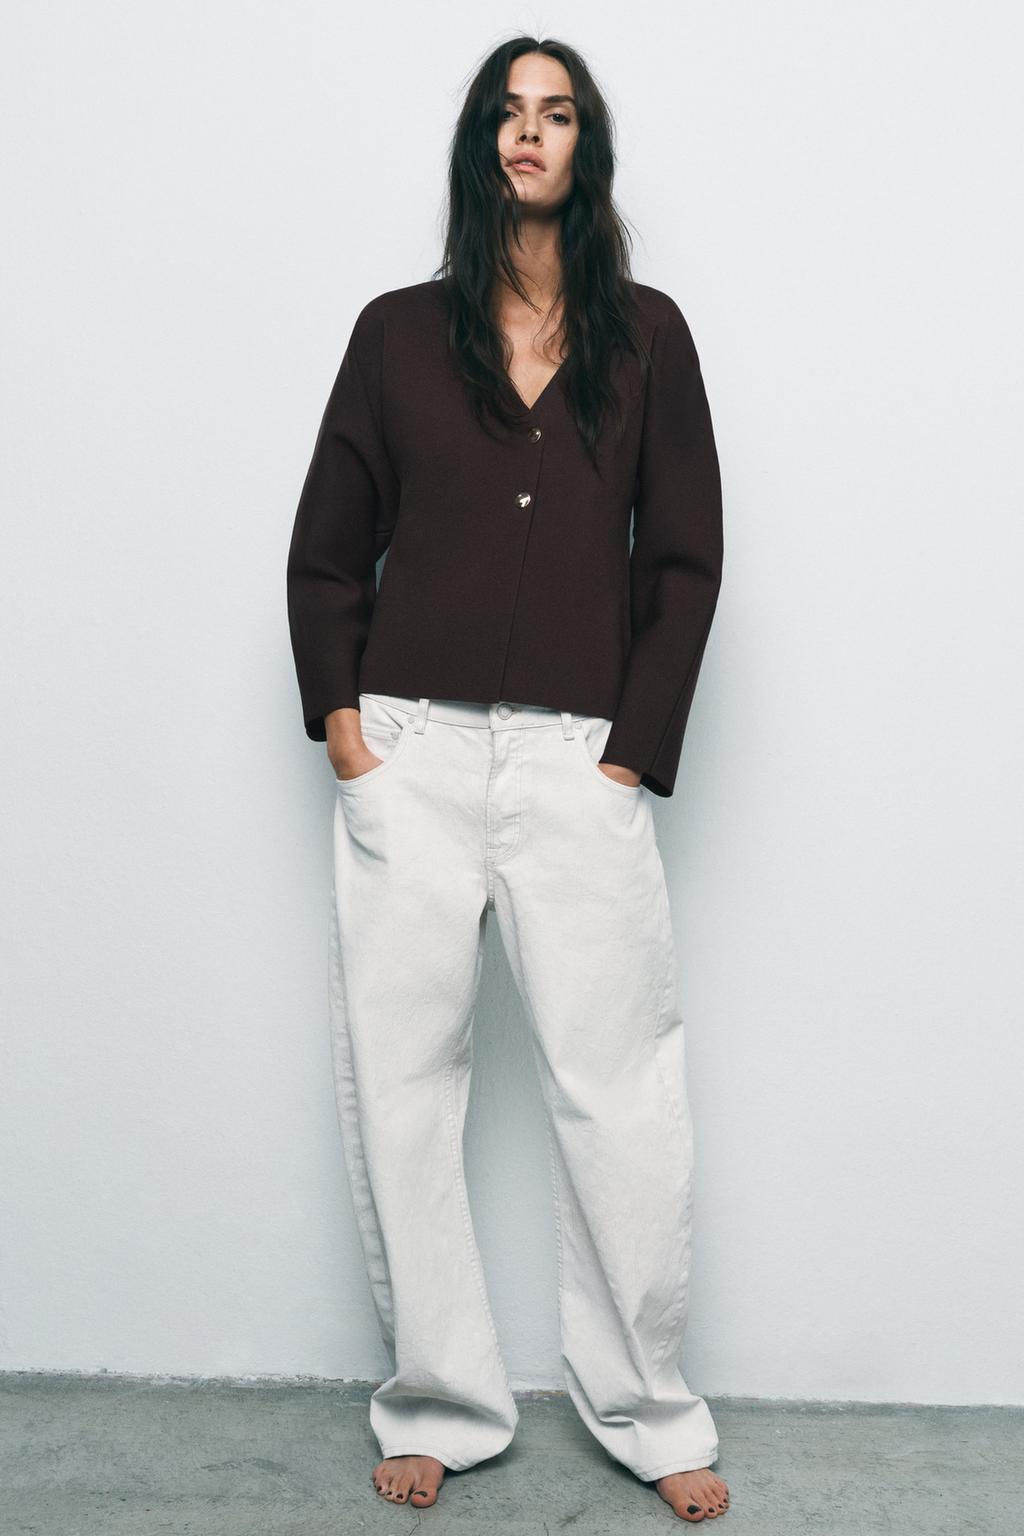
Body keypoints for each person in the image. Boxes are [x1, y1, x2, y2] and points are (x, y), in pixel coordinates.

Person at [286, 35, 730, 1526]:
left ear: (585, 148)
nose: (531, 134)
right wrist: (347, 731)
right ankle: (441, 1403)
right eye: (509, 113)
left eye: (559, 114)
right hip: (409, 750)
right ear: (482, 143)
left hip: (576, 758)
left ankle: (649, 1412)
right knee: (404, 1086)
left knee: (620, 1090)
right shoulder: (397, 335)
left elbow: (684, 562)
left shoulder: (648, 337)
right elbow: (327, 550)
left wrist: (629, 754)